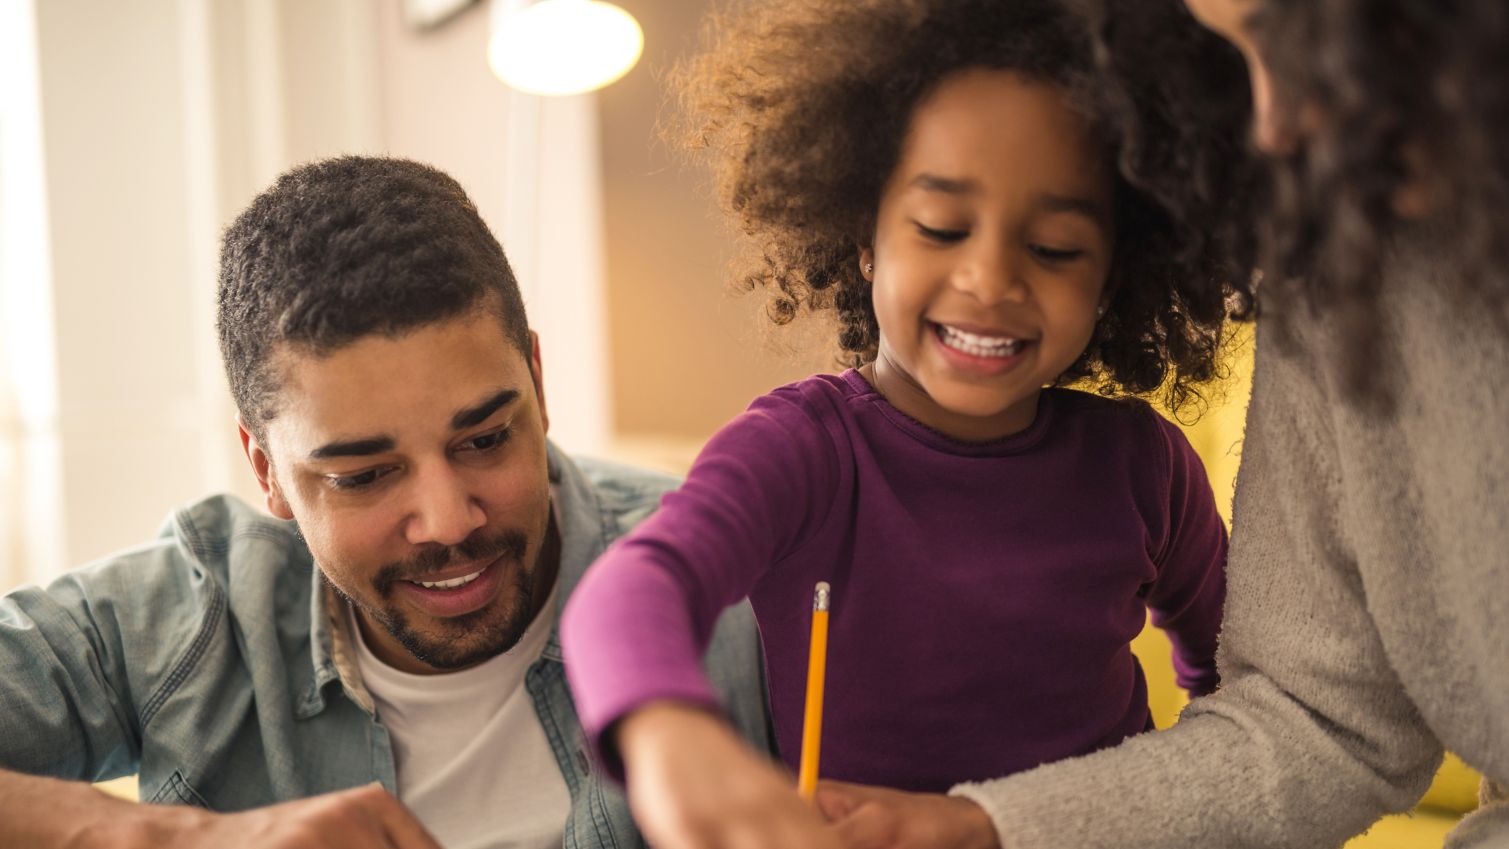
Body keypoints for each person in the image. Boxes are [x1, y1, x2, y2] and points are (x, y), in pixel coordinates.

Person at [804, 1, 1509, 847]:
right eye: (1232, 55)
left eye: (1305, 40)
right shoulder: (1333, 257)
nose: (1275, 125)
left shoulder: (1140, 465)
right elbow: (1317, 718)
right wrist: (981, 827)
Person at [558, 1, 1252, 847]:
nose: (990, 277)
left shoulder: (1142, 465)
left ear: (1116, 273)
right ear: (863, 237)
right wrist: (670, 735)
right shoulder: (800, 450)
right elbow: (633, 590)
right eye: (940, 227)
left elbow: (1249, 687)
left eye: (1057, 247)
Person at [0, 156, 771, 849]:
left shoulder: (747, 584)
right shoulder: (185, 619)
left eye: (484, 438)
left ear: (537, 378)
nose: (446, 521)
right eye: (364, 475)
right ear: (265, 469)